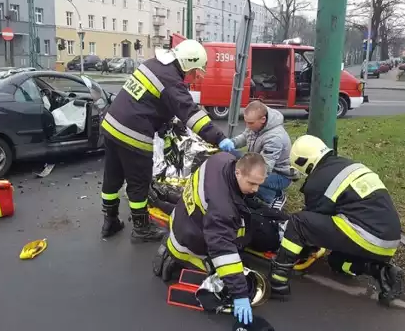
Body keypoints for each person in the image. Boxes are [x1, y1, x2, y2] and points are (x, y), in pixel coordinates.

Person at [99, 39, 235, 243]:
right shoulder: (170, 79)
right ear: (188, 63)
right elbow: (191, 114)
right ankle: (141, 229)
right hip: (132, 134)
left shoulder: (152, 64)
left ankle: (109, 222)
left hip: (111, 126)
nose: (192, 77)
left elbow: (147, 102)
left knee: (112, 177)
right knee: (139, 183)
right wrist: (219, 138)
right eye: (194, 71)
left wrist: (163, 125)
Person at [268, 135, 404, 305]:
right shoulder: (348, 165)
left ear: (304, 162)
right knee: (336, 262)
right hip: (388, 242)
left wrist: (297, 251)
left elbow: (310, 228)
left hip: (363, 234)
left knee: (298, 222)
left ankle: (278, 279)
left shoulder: (317, 181)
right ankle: (381, 271)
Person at [153, 152, 268, 325]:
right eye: (251, 183)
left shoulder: (221, 159)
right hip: (189, 243)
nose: (255, 189)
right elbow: (222, 250)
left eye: (259, 184)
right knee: (217, 277)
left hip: (184, 216)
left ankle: (158, 202)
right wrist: (240, 294)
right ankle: (173, 254)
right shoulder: (223, 207)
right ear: (238, 172)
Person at [231, 101, 297, 205]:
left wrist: (244, 172)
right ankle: (267, 193)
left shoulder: (274, 138)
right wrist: (232, 143)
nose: (247, 126)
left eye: (250, 123)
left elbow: (265, 169)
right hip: (261, 162)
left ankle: (275, 197)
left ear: (263, 119)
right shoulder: (255, 124)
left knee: (247, 177)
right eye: (246, 122)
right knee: (234, 158)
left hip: (280, 175)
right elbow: (244, 136)